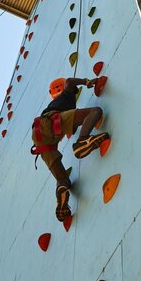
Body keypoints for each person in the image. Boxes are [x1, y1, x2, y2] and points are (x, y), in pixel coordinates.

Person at [32, 76, 110, 220]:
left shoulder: (59, 104)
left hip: (40, 140)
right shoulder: (67, 95)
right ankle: (82, 142)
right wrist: (87, 82)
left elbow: (72, 124)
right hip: (50, 122)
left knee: (63, 181)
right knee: (95, 112)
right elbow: (69, 82)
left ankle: (62, 201)